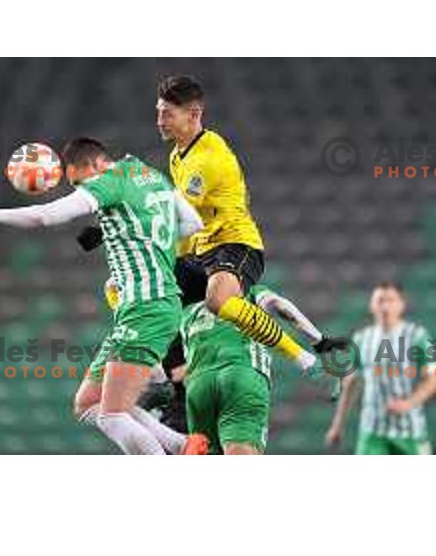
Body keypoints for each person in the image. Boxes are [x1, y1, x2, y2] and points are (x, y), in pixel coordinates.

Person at [0, 137, 208, 455]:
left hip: (147, 308)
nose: (81, 190)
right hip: (147, 307)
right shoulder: (147, 173)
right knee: (88, 403)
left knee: (112, 416)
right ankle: (183, 444)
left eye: (78, 182)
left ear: (91, 166)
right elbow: (193, 222)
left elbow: (45, 216)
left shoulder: (108, 181)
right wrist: (124, 233)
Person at [156, 75, 318, 372]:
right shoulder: (178, 154)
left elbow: (180, 216)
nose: (160, 120)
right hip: (203, 252)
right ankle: (171, 377)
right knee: (154, 292)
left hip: (236, 246)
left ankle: (305, 360)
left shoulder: (205, 159)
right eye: (159, 112)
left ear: (193, 115)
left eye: (167, 113)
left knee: (217, 301)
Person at [181, 284, 342, 455]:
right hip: (241, 373)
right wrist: (320, 340)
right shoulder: (249, 292)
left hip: (197, 386)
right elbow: (278, 304)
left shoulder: (188, 312)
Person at [325, 281, 436, 455]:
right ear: (371, 305)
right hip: (372, 432)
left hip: (411, 431)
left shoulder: (419, 336)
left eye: (390, 300)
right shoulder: (361, 339)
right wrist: (337, 425)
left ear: (401, 305)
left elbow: (433, 378)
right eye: (380, 300)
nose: (385, 306)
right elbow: (351, 383)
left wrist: (409, 403)